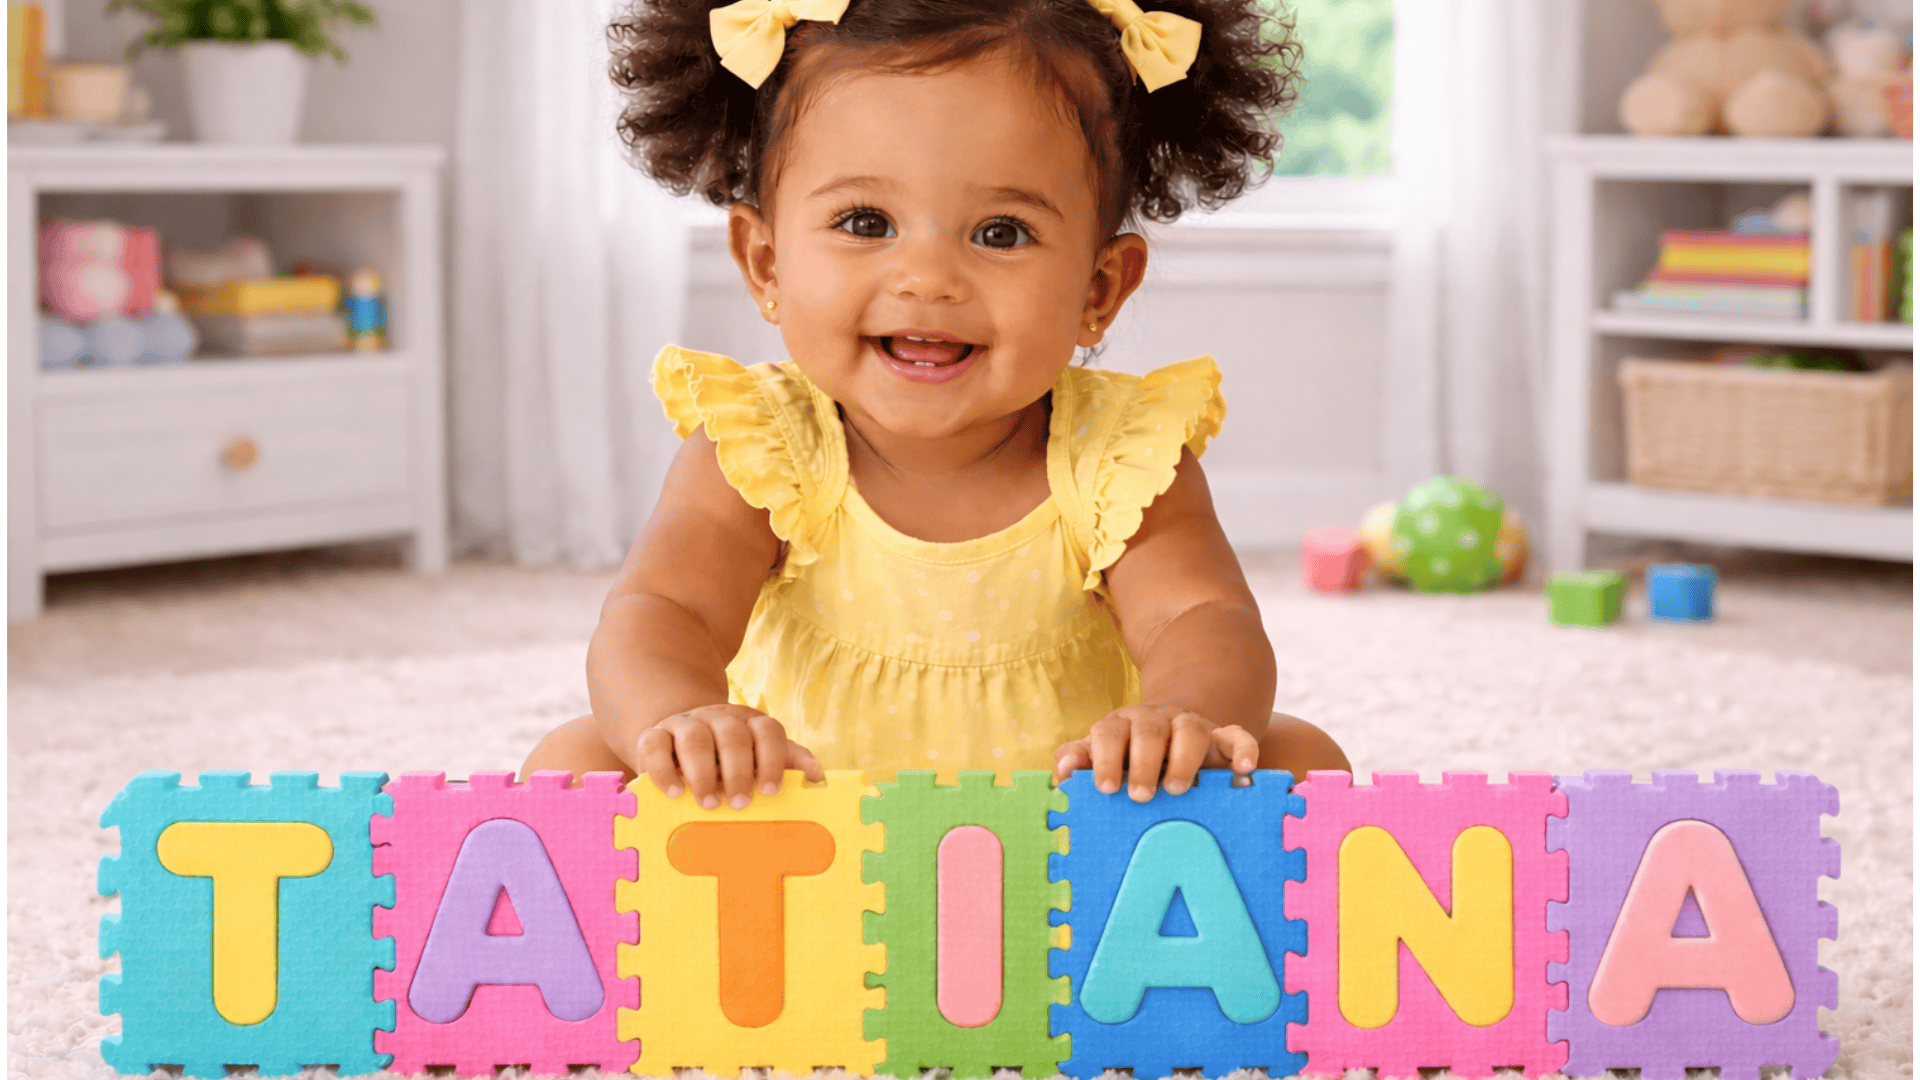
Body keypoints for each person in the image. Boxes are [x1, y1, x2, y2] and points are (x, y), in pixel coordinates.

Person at [524, 0, 1352, 805]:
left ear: (1099, 288)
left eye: (1001, 233)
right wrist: (682, 718)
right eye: (865, 221)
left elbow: (1201, 616)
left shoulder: (1119, 457)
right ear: (766, 264)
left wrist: (1183, 717)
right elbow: (663, 610)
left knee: (1300, 757)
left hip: (1078, 838)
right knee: (575, 759)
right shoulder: (763, 446)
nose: (927, 279)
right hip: (792, 828)